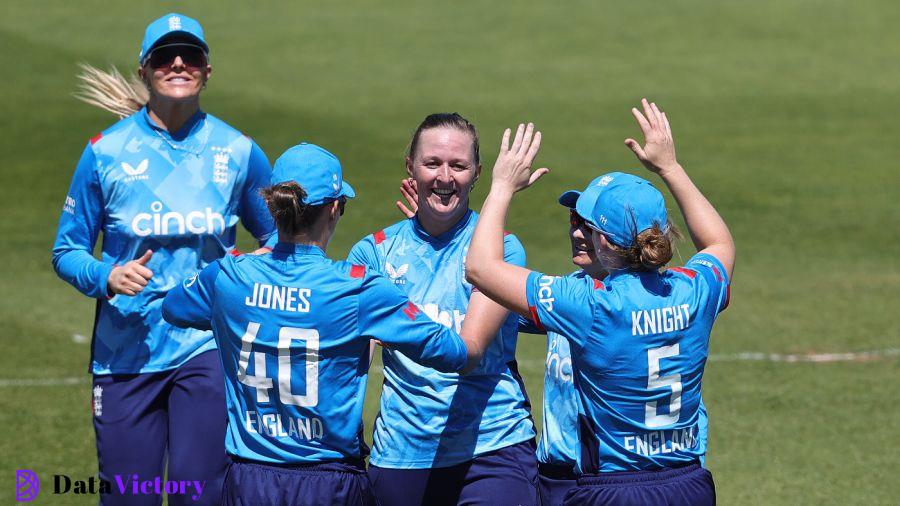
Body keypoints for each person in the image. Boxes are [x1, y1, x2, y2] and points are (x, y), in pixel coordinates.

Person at [162, 143, 480, 505]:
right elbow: (453, 352)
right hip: (330, 482)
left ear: (271, 207)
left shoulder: (227, 277)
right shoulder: (359, 289)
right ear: (334, 209)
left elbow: (173, 308)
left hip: (247, 479)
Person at [51, 13, 275, 505]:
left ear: (207, 71)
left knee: (202, 493)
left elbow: (280, 234)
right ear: (144, 70)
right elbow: (66, 251)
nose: (178, 63)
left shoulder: (238, 152)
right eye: (165, 56)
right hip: (124, 353)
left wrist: (257, 265)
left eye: (190, 55)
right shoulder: (104, 153)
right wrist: (106, 274)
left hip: (208, 347)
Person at [465, 100, 734, 505]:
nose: (578, 233)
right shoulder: (696, 289)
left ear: (604, 240)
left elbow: (481, 268)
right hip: (688, 484)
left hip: (612, 490)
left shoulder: (591, 304)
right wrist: (670, 168)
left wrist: (501, 186)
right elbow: (719, 243)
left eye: (585, 225)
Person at [349, 113, 538, 505]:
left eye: (459, 165)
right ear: (411, 167)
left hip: (492, 448)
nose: (445, 177)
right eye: (432, 163)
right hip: (401, 453)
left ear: (478, 173)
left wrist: (399, 322)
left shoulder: (502, 249)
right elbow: (355, 363)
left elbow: (469, 353)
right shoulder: (375, 253)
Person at [395, 176, 604, 505]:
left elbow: (484, 274)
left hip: (605, 473)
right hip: (556, 474)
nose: (578, 233)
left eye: (590, 225)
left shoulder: (581, 300)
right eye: (575, 220)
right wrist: (432, 247)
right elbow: (478, 304)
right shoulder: (565, 290)